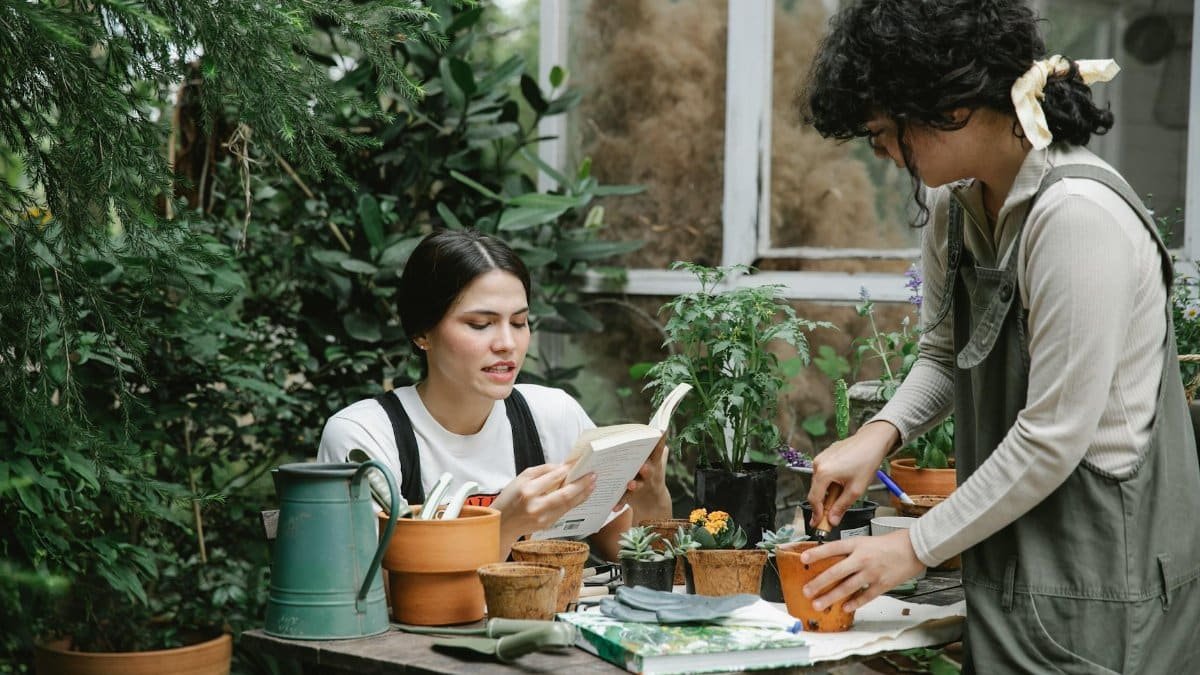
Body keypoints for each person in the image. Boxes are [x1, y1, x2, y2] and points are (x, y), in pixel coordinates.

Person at [799, 1, 1200, 671]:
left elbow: (1054, 435)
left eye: (880, 129)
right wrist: (878, 434)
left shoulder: (1074, 216)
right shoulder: (956, 207)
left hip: (1101, 596)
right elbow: (942, 355)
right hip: (1011, 586)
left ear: (945, 104)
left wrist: (911, 547)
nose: (877, 149)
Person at [317, 228, 671, 561]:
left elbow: (639, 555)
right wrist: (504, 525)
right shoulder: (364, 436)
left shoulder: (553, 415)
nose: (506, 344)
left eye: (519, 323)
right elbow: (371, 594)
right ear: (422, 332)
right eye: (480, 324)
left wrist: (652, 489)